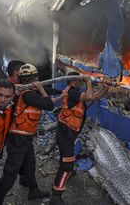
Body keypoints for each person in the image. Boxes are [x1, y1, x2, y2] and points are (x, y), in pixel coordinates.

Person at [0, 64, 63, 204]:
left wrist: (62, 91)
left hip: (25, 137)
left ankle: (33, 191)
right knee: (11, 172)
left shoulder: (29, 90)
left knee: (30, 164)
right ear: (35, 78)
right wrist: (42, 89)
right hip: (19, 137)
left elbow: (48, 90)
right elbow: (49, 105)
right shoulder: (29, 95)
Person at [50, 72, 108, 205]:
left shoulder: (75, 93)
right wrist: (88, 81)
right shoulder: (72, 93)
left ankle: (67, 173)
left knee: (66, 159)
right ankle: (56, 196)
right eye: (80, 81)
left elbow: (93, 97)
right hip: (65, 135)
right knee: (67, 165)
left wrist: (105, 88)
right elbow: (88, 95)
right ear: (73, 81)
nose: (81, 83)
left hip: (67, 134)